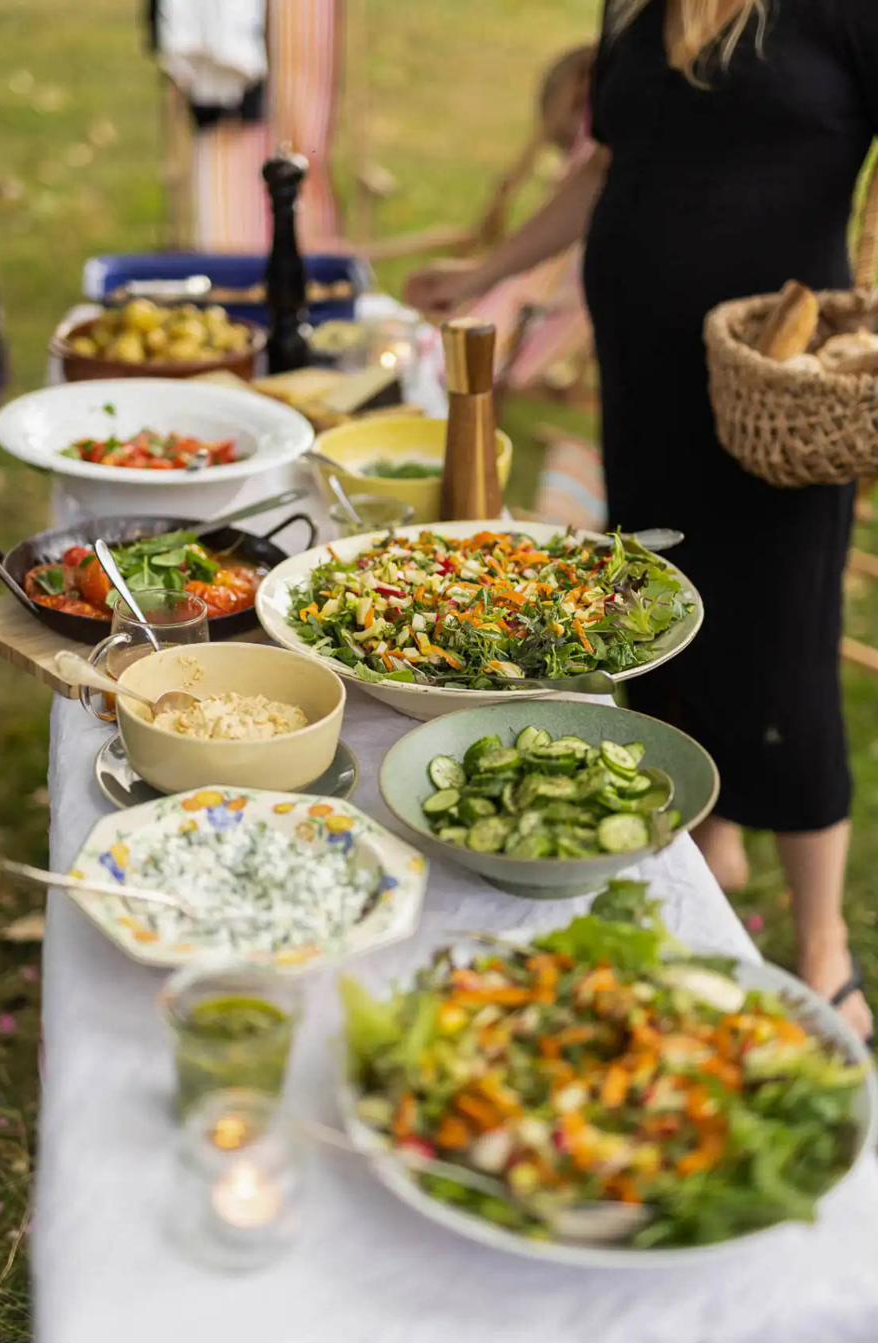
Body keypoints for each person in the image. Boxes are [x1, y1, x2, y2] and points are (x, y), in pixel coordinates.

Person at [405, 0, 878, 1039]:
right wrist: (485, 272)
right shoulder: (635, 7)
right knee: (657, 612)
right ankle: (709, 844)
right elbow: (606, 166)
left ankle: (822, 947)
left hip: (777, 382)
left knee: (783, 638)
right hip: (645, 365)